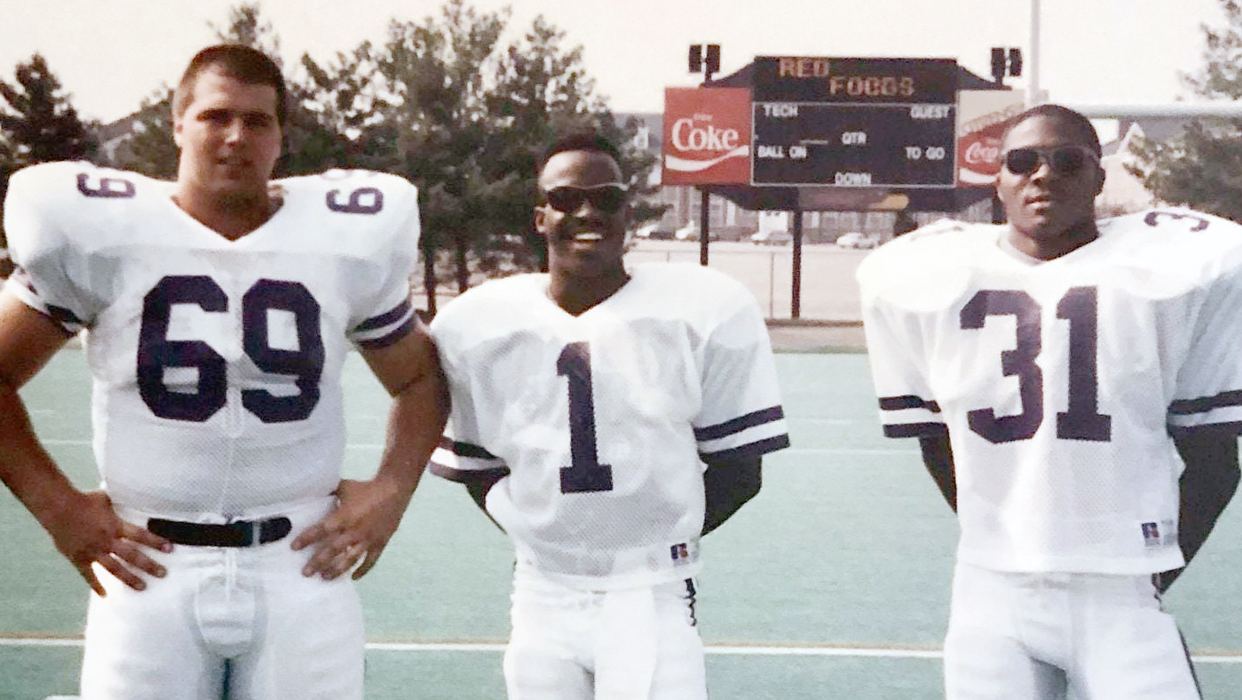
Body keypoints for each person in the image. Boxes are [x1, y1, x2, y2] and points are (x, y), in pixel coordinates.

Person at [0, 44, 447, 699]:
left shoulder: (338, 242)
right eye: (216, 116)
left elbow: (420, 380)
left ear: (281, 140)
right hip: (149, 566)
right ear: (177, 124)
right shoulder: (108, 235)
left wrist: (392, 491)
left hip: (299, 562)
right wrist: (59, 509)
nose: (237, 135)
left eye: (258, 121)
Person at [858, 103, 1242, 700]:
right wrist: (1009, 532)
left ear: (1098, 177)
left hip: (1123, 593)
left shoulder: (1173, 272)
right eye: (1022, 161)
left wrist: (1156, 569)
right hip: (992, 594)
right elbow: (939, 446)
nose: (1043, 174)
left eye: (1068, 160)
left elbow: (1218, 464)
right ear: (999, 182)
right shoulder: (926, 276)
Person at [426, 130, 789, 700]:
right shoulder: (479, 323)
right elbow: (478, 470)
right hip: (541, 594)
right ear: (540, 217)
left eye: (608, 198)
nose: (588, 211)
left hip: (651, 594)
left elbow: (742, 474)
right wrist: (551, 536)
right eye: (568, 199)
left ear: (629, 211)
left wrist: (640, 544)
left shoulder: (702, 308)